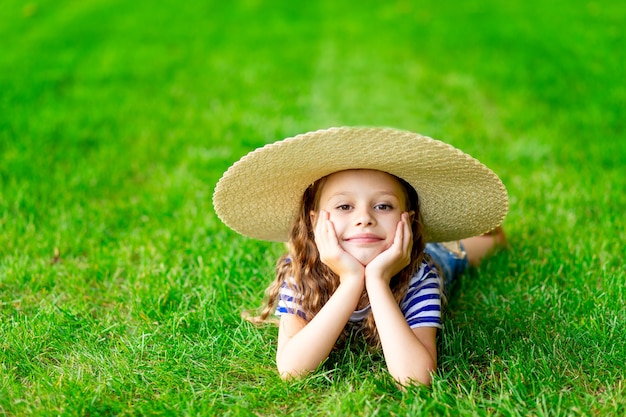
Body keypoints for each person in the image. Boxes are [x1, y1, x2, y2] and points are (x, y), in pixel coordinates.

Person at [212, 127, 508, 386]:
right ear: (315, 222)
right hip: (358, 256)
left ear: (408, 219)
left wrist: (378, 281)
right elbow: (292, 370)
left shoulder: (420, 275)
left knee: (481, 245)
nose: (364, 218)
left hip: (421, 256)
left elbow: (416, 378)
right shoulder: (301, 272)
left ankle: (487, 236)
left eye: (383, 206)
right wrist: (352, 279)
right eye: (344, 207)